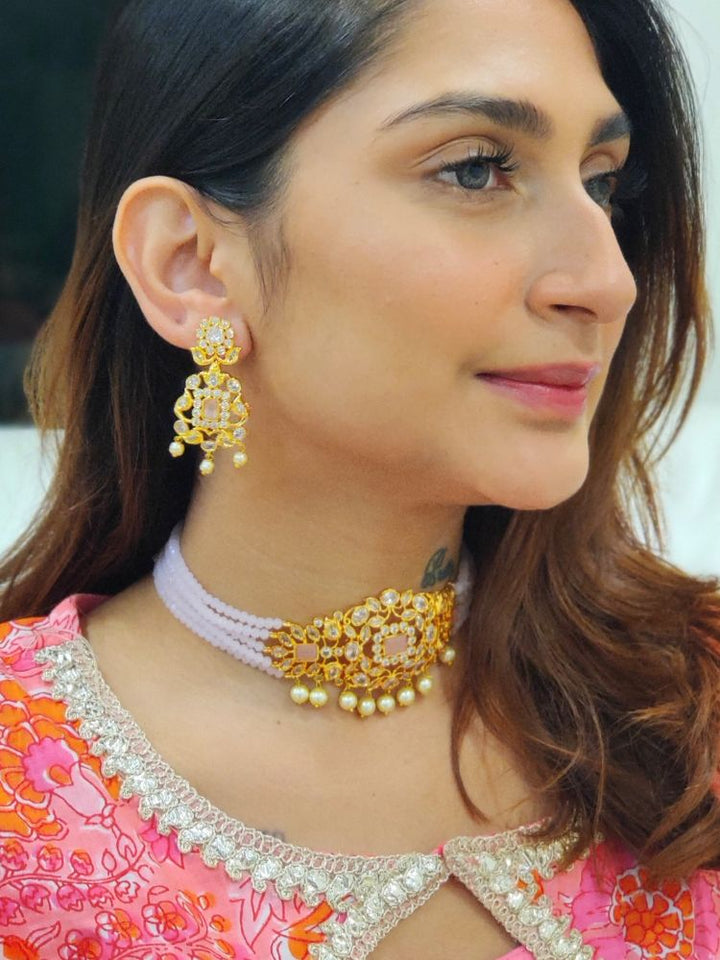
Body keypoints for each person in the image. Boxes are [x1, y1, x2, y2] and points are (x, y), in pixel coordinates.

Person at [1, 0, 720, 956]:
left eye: (604, 183)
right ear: (192, 266)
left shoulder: (692, 703)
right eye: (477, 169)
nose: (607, 281)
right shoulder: (20, 781)